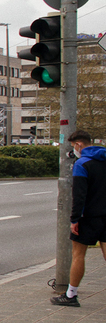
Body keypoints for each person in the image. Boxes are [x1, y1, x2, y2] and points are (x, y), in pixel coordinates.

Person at [53, 130, 106, 307]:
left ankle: (71, 295)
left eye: (73, 147)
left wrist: (74, 219)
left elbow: (79, 195)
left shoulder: (82, 164)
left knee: (78, 255)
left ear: (78, 144)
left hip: (88, 217)